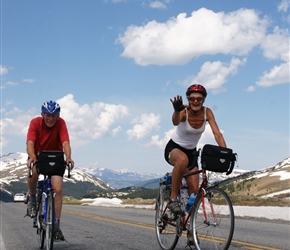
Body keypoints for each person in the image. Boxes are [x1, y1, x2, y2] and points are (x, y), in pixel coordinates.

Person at [164, 84, 226, 215]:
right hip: (173, 148)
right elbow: (175, 122)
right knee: (182, 160)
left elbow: (217, 134)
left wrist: (225, 152)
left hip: (191, 153)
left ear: (203, 100)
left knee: (194, 193)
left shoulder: (207, 112)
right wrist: (176, 110)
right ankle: (173, 198)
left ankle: (190, 230)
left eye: (199, 98)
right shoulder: (183, 111)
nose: (195, 101)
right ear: (188, 100)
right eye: (192, 99)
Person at [26, 100, 74, 241]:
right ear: (42, 114)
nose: (51, 118)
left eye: (54, 115)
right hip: (39, 156)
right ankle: (33, 198)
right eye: (48, 115)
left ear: (58, 115)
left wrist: (68, 157)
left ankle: (56, 227)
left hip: (55, 156)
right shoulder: (35, 123)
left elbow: (65, 142)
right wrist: (32, 157)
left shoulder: (61, 123)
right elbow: (30, 143)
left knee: (57, 189)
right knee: (33, 170)